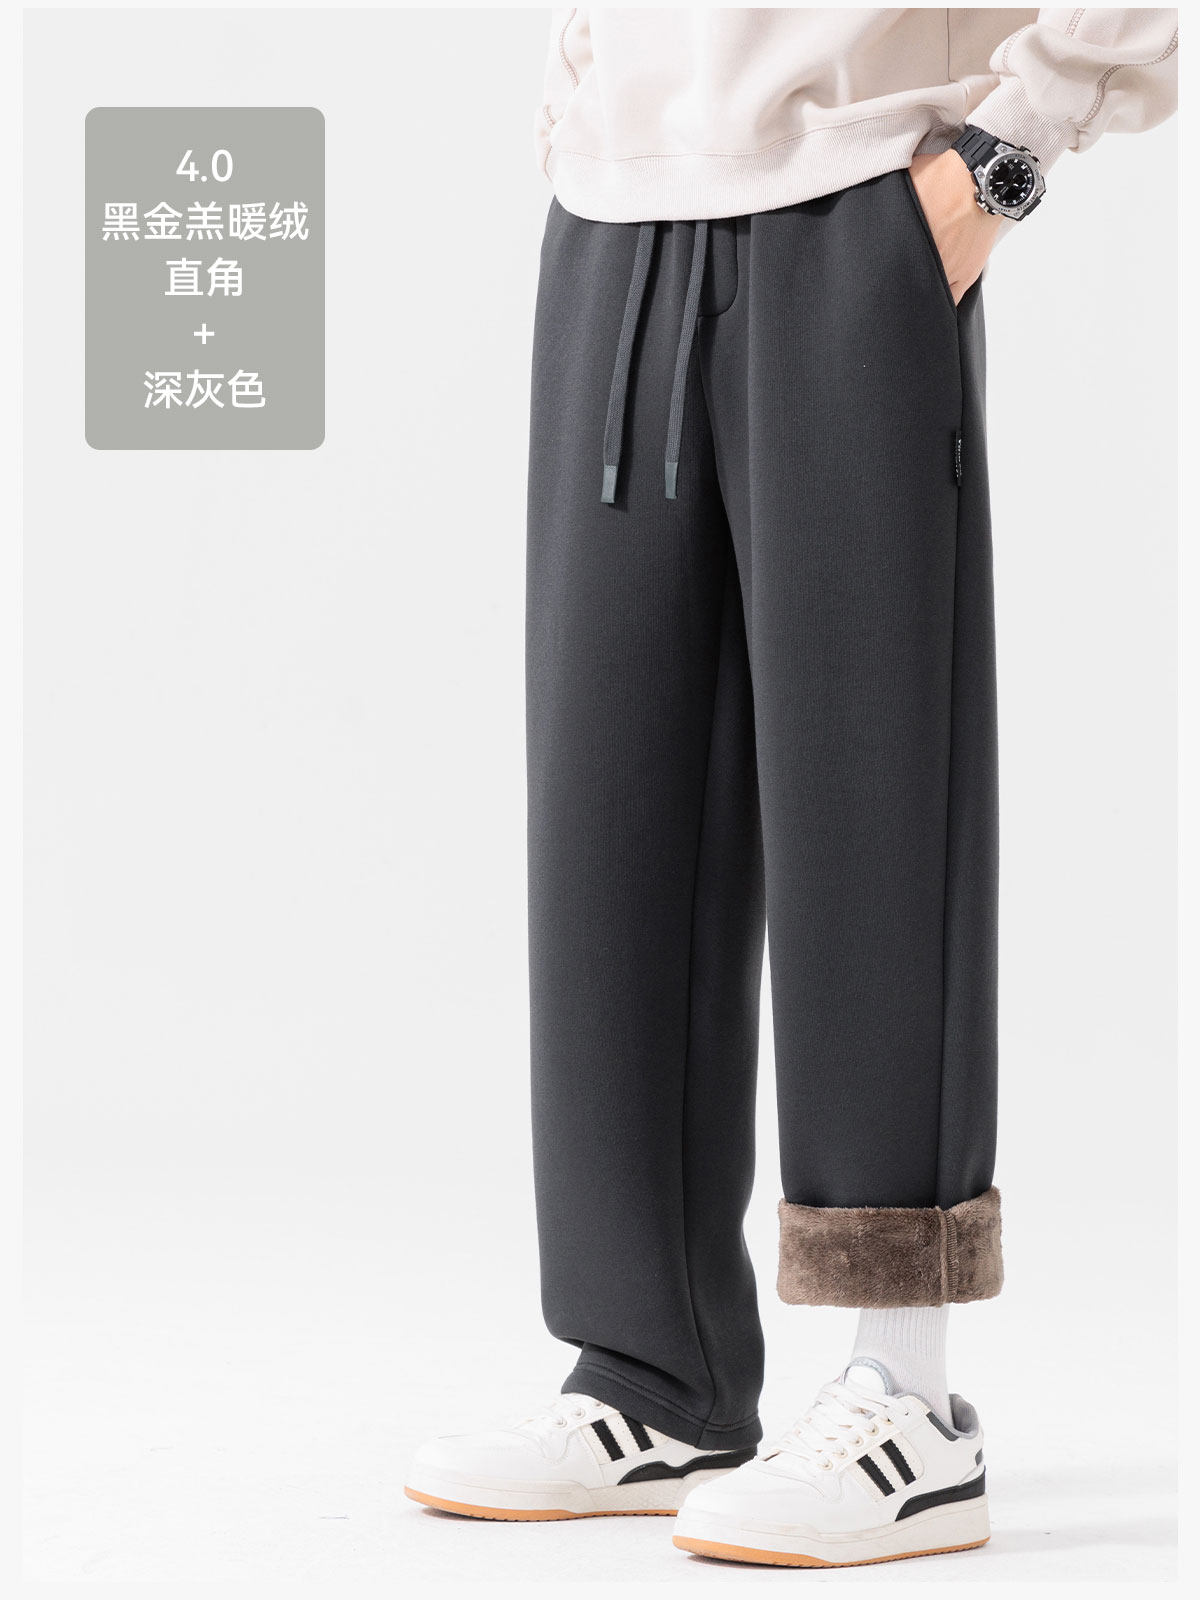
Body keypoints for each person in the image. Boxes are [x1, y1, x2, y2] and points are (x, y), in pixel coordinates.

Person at [406, 6, 1178, 1568]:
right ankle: (655, 1374)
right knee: (613, 815)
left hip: (861, 202)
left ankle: (910, 1399)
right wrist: (581, 99)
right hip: (616, 215)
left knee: (872, 802)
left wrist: (1006, 156)